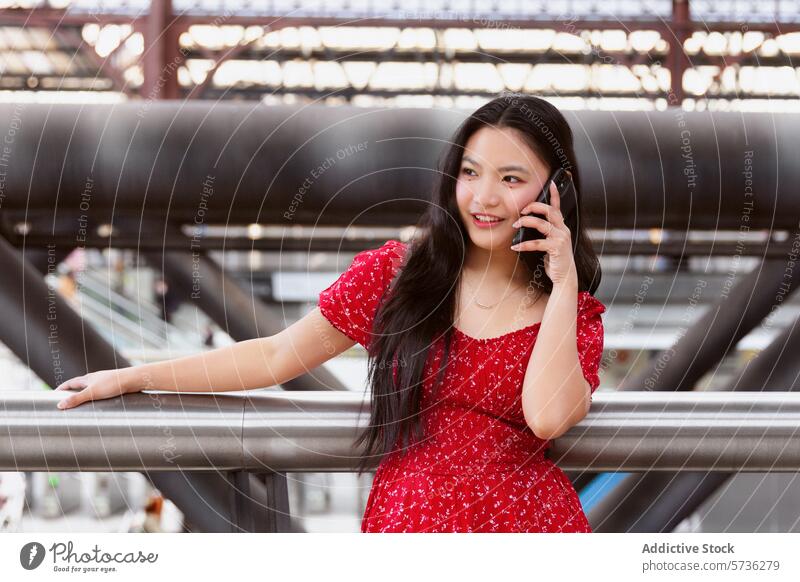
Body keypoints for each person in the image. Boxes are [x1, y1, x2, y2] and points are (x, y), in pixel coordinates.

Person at [53, 93, 605, 533]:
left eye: (510, 178)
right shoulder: (400, 277)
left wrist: (561, 282)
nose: (483, 196)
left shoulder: (571, 310)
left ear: (556, 190)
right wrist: (136, 375)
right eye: (470, 171)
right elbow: (275, 356)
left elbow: (548, 417)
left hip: (528, 536)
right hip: (408, 532)